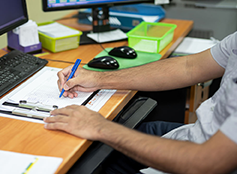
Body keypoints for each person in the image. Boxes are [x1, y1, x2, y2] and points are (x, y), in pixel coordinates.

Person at [43, 31, 237, 174]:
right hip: (197, 134)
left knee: (84, 161)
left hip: (199, 160)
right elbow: (190, 67)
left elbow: (205, 163)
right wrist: (98, 78)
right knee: (101, 149)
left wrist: (101, 127)